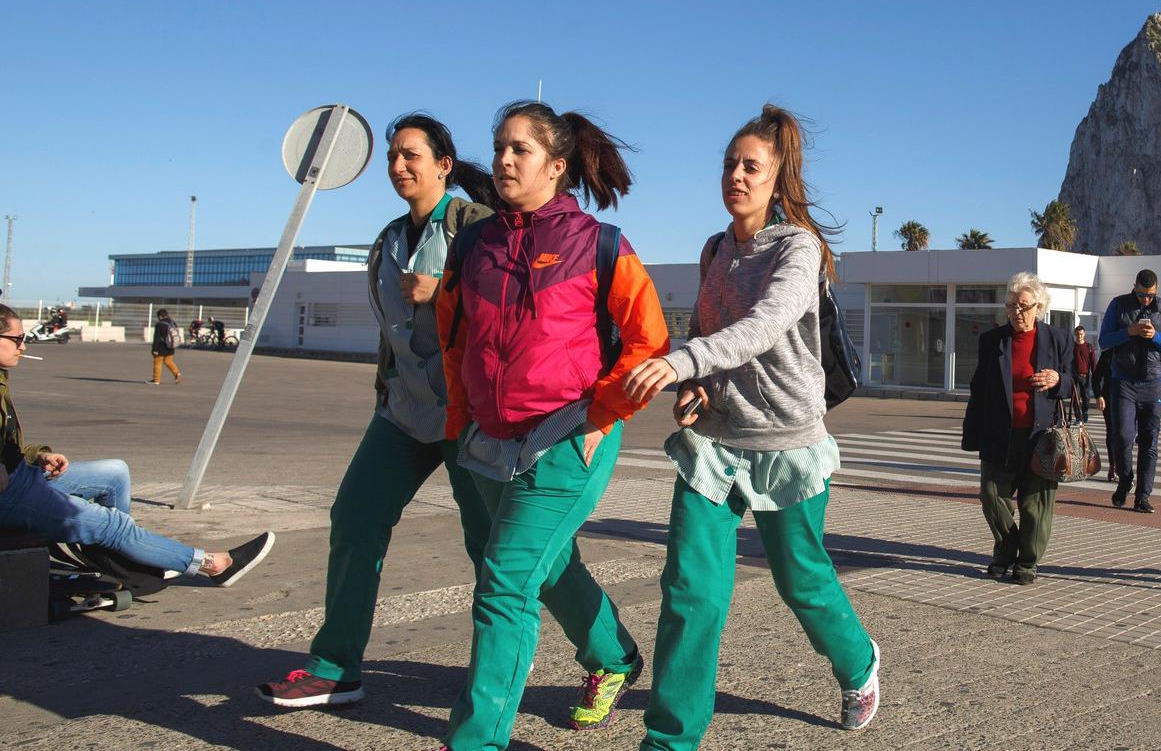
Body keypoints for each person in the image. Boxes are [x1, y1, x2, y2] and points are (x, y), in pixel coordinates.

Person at [622, 104, 881, 748]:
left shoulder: (798, 249)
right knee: (690, 589)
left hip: (785, 441)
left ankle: (858, 664)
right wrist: (693, 383)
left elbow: (762, 328)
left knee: (804, 582)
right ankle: (670, 738)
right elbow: (706, 333)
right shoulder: (715, 248)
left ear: (776, 177)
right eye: (729, 165)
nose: (735, 176)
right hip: (714, 442)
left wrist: (680, 360)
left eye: (751, 166)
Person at [438, 101, 669, 749]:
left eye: (521, 149)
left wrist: (606, 412)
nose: (504, 159)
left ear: (557, 165)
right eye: (500, 146)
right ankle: (614, 657)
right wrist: (460, 421)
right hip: (489, 436)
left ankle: (476, 740)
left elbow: (649, 341)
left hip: (570, 434)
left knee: (506, 579)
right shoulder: (476, 245)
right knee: (548, 565)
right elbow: (453, 337)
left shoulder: (597, 244)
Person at [260, 114, 510, 710]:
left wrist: (444, 287)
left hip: (465, 414)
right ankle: (336, 667)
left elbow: (514, 304)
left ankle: (603, 653)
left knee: (495, 549)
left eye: (412, 155)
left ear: (443, 165)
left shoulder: (476, 226)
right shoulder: (390, 236)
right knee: (354, 518)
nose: (399, 166)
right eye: (393, 156)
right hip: (402, 412)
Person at [0, 303, 273, 585]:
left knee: (115, 473)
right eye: (17, 339)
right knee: (113, 524)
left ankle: (125, 559)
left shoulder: (1, 377)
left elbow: (5, 443)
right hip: (9, 494)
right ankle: (215, 565)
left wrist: (40, 454)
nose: (23, 345)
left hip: (21, 474)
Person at [961, 272, 1073, 584]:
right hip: (1001, 433)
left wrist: (1058, 381)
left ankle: (1027, 563)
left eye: (1023, 306)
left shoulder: (1058, 339)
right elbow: (978, 389)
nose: (1016, 312)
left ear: (1039, 307)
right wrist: (973, 435)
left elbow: (1079, 384)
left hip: (1042, 437)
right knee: (991, 495)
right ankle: (1008, 547)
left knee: (1035, 505)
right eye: (1011, 305)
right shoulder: (992, 341)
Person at [1098, 268, 1161, 514]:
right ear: (1134, 287)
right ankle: (1125, 479)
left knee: (1149, 441)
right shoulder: (1119, 305)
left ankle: (1143, 495)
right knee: (1122, 436)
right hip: (1123, 381)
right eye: (1142, 294)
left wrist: (1155, 336)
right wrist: (1128, 332)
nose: (1146, 300)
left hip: (1153, 382)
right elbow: (1103, 341)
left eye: (1151, 295)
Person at [1091, 344, 1117, 483]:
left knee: (1126, 435)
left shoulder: (1131, 353)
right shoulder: (1107, 355)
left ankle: (1122, 465)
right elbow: (1096, 377)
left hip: (1129, 399)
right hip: (1109, 398)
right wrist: (1098, 396)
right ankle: (1113, 465)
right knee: (1112, 432)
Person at [1069, 325, 1096, 424]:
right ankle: (1078, 418)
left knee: (1086, 397)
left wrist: (1095, 375)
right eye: (1077, 334)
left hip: (1085, 376)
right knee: (1075, 398)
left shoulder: (1089, 347)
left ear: (1084, 334)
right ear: (1075, 334)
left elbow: (1093, 363)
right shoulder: (1072, 347)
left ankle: (1084, 412)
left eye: (1081, 334)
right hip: (1074, 376)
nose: (1079, 336)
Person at [149, 308, 182, 385]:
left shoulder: (159, 324)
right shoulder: (172, 322)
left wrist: (155, 349)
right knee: (169, 361)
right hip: (171, 346)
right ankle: (177, 373)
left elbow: (157, 338)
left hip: (161, 347)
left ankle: (156, 380)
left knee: (157, 363)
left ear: (160, 316)